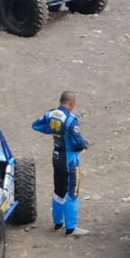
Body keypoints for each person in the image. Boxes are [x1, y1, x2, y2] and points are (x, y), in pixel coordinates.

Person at [33, 92, 89, 235]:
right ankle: (71, 228)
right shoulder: (70, 119)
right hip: (69, 159)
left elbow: (36, 125)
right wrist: (85, 144)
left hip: (56, 156)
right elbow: (78, 140)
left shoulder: (50, 114)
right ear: (71, 102)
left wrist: (52, 131)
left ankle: (58, 223)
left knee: (59, 190)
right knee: (72, 191)